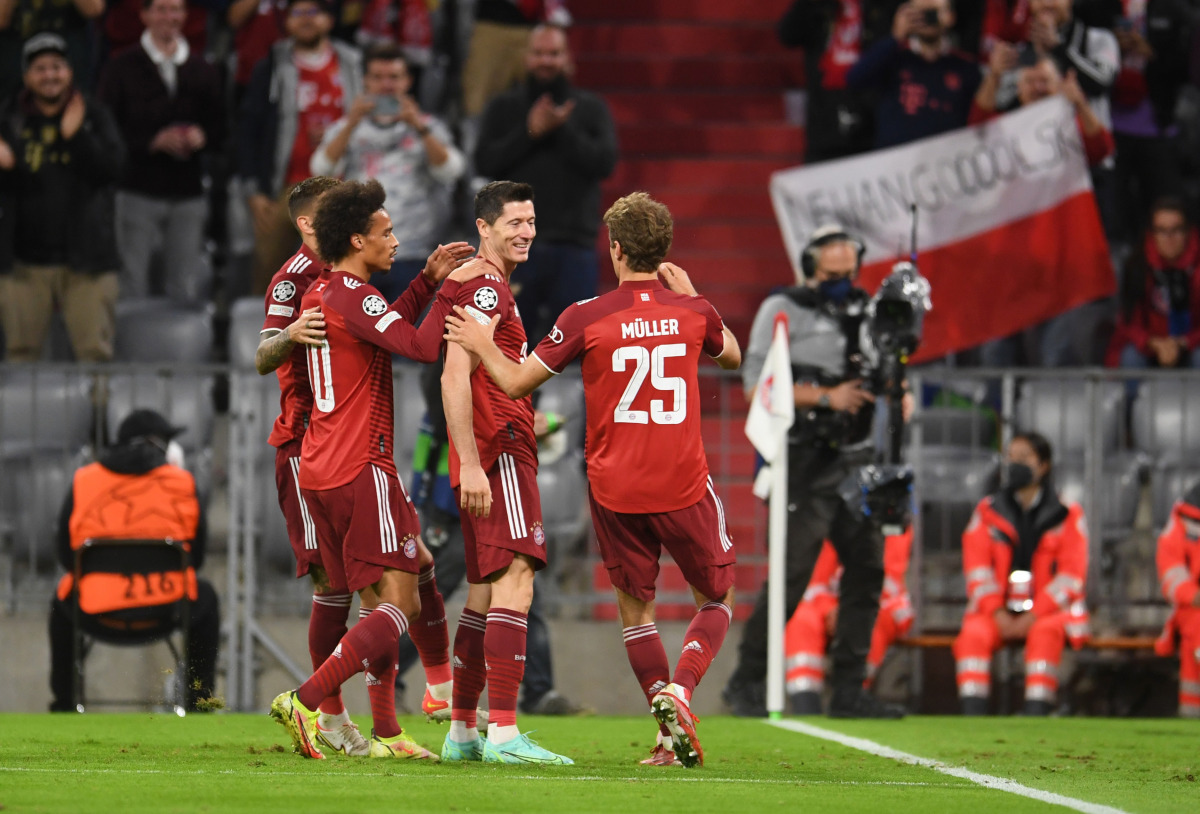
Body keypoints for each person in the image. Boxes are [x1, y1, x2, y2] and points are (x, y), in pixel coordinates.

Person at [444, 191, 742, 768]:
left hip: (614, 489)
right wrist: (692, 296)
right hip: (682, 482)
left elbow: (512, 382)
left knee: (637, 611)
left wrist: (482, 343)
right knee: (718, 597)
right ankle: (679, 693)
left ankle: (663, 721)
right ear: (664, 252)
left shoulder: (584, 315)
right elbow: (731, 355)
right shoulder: (695, 312)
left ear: (615, 249)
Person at [268, 178, 478, 760]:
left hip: (324, 467)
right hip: (362, 464)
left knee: (395, 586)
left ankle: (388, 730)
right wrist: (453, 297)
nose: (396, 241)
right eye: (387, 233)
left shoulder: (326, 295)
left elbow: (384, 328)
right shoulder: (349, 295)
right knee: (398, 604)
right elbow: (418, 346)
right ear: (357, 239)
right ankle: (308, 700)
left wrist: (428, 282)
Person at [721, 225, 906, 720]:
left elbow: (886, 366)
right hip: (803, 458)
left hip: (858, 460)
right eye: (831, 274)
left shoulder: (870, 312)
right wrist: (826, 396)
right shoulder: (782, 307)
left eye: (848, 274)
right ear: (809, 267)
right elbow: (754, 381)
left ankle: (849, 688)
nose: (841, 283)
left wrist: (895, 386)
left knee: (868, 571)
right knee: (791, 575)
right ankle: (746, 681)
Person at [437, 180, 573, 765]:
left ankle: (463, 732)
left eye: (532, 222)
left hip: (489, 448)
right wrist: (471, 460)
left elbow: (463, 375)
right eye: (514, 222)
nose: (526, 232)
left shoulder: (480, 284)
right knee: (517, 581)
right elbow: (454, 377)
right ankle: (503, 733)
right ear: (484, 229)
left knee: (483, 593)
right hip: (499, 452)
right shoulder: (489, 288)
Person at [396, 361, 587, 717]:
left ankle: (537, 691)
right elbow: (456, 413)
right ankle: (392, 677)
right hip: (450, 500)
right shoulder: (454, 365)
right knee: (436, 595)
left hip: (486, 498)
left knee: (524, 592)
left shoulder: (476, 356)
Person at [49, 409, 220, 713]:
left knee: (61, 599)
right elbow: (195, 558)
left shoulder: (84, 481)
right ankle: (199, 704)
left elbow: (66, 555)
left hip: (96, 610)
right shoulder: (182, 482)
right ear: (159, 444)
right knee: (206, 599)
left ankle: (64, 702)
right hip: (166, 608)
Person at [474, 23, 618, 345]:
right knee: (510, 345)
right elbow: (484, 162)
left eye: (553, 53)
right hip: (513, 249)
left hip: (574, 247)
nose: (546, 61)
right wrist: (530, 133)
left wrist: (560, 129)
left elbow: (604, 163)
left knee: (576, 345)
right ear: (526, 58)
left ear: (567, 58)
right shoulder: (503, 107)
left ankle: (572, 400)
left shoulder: (591, 108)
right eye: (539, 53)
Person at [0, 33, 124, 362]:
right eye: (40, 68)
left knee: (95, 355)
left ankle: (97, 416)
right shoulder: (8, 118)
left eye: (56, 66)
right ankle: (22, 417)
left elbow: (114, 170)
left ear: (69, 72)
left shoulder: (94, 116)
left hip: (88, 264)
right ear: (27, 76)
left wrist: (76, 138)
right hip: (23, 264)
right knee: (20, 356)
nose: (49, 75)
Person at [311, 43, 464, 303]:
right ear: (365, 82)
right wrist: (351, 123)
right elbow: (320, 169)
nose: (386, 85)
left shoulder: (428, 126)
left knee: (406, 338)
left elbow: (451, 171)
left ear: (408, 81)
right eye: (377, 77)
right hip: (359, 254)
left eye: (394, 77)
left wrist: (418, 127)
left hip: (413, 252)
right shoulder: (346, 127)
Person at [98, 0, 225, 304]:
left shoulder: (203, 70)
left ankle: (181, 351)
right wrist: (151, 142)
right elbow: (105, 133)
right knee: (132, 282)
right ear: (145, 15)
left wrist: (202, 137)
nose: (170, 17)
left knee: (183, 285)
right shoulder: (120, 68)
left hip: (188, 193)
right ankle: (132, 351)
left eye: (176, 9)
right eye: (161, 9)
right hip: (137, 192)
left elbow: (223, 130)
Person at [954, 432, 1089, 716]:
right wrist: (996, 612)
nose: (1015, 463)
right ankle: (972, 713)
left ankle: (1036, 710)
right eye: (1011, 456)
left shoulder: (1068, 514)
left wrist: (1034, 613)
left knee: (1046, 632)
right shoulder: (987, 511)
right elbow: (976, 569)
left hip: (1047, 612)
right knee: (973, 634)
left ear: (1044, 465)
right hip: (996, 611)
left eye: (1024, 456)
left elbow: (1071, 576)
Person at [237, 0, 363, 294]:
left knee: (339, 279)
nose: (306, 20)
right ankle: (263, 333)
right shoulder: (270, 66)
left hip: (341, 187)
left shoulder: (353, 64)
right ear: (287, 22)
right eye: (298, 13)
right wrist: (254, 190)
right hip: (285, 188)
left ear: (329, 20)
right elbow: (248, 130)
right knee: (268, 275)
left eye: (314, 12)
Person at [785, 529, 914, 714]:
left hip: (881, 605)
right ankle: (806, 705)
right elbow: (817, 580)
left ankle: (852, 696)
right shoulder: (833, 513)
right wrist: (829, 608)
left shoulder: (891, 511)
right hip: (831, 606)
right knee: (801, 619)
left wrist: (848, 611)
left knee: (866, 622)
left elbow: (887, 579)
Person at [846, 0, 982, 150]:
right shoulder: (894, 56)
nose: (928, 18)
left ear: (950, 16)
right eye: (921, 12)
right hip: (896, 163)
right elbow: (855, 79)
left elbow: (979, 116)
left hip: (947, 159)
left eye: (934, 11)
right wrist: (895, 36)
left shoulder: (965, 65)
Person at [776, 0, 897, 163]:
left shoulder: (882, 8)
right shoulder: (820, 7)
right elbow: (788, 34)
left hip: (873, 127)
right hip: (825, 129)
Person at [1107, 199, 1200, 370]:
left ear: (1188, 231)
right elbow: (1128, 322)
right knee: (1130, 358)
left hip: (1192, 344)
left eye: (1176, 230)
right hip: (1150, 346)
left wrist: (1182, 343)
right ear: (1152, 234)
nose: (1169, 238)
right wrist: (1154, 344)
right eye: (1162, 230)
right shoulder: (1137, 265)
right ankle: (1129, 398)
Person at [1154, 482, 1200, 718]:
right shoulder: (1183, 517)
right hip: (1192, 608)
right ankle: (1191, 715)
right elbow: (1171, 571)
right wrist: (1194, 595)